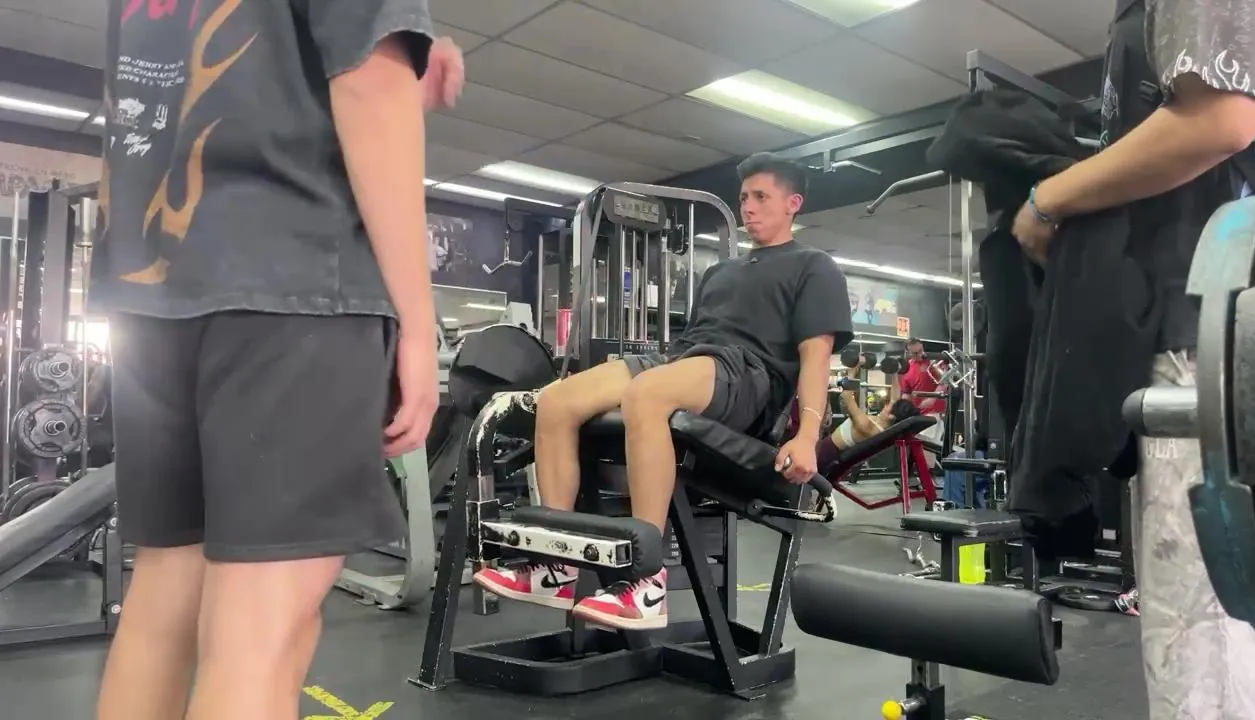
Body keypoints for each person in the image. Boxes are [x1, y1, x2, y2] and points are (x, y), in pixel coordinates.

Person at [92, 4, 464, 720]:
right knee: (262, 642)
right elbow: (368, 83)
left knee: (162, 612)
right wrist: (419, 325)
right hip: (294, 285)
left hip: (155, 291)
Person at [1010, 0, 1255, 716]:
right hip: (1219, 331)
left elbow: (1219, 117)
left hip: (1216, 344)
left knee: (1210, 656)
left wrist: (1047, 201)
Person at [472, 153, 853, 630]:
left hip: (748, 376)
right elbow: (692, 345)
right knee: (557, 400)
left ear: (793, 203)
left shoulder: (814, 266)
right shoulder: (721, 272)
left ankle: (646, 581)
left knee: (647, 394)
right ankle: (556, 565)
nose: (748, 207)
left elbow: (816, 356)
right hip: (687, 359)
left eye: (761, 197)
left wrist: (807, 435)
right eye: (744, 198)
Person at [815, 358, 921, 472]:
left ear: (892, 416)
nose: (886, 404)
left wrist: (853, 369)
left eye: (889, 405)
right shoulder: (885, 427)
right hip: (827, 448)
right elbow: (895, 397)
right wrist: (895, 371)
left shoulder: (867, 426)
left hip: (826, 452)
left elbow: (845, 396)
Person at [898, 338, 947, 449]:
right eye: (915, 353)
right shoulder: (906, 368)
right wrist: (902, 411)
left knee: (925, 447)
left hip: (933, 413)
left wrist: (932, 398)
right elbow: (906, 393)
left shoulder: (932, 363)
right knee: (920, 448)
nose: (920, 355)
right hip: (917, 415)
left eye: (921, 351)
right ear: (908, 353)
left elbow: (944, 382)